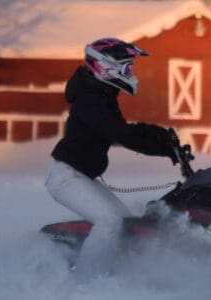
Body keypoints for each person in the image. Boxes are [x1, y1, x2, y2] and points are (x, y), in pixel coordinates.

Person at [45, 38, 177, 279]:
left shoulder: (101, 94)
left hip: (81, 177)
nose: (130, 72)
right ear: (107, 66)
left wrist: (163, 137)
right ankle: (85, 282)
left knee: (126, 224)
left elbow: (123, 129)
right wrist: (162, 144)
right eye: (126, 67)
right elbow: (120, 133)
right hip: (67, 178)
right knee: (110, 221)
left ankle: (117, 275)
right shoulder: (90, 99)